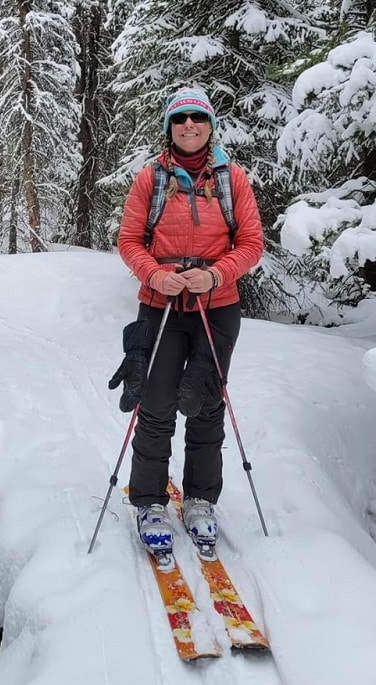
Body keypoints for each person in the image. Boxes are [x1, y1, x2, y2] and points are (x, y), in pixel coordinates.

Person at [108, 86, 263, 560]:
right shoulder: (150, 179)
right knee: (154, 401)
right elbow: (129, 239)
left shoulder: (232, 179)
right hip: (162, 303)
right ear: (169, 128)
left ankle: (199, 498)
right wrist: (156, 273)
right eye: (180, 119)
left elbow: (252, 243)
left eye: (198, 117)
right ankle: (151, 500)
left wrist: (215, 273)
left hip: (217, 306)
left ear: (210, 125)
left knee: (206, 401)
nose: (189, 125)